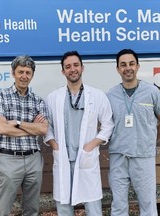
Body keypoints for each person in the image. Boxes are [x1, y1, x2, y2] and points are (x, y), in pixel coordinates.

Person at [44, 51, 114, 216]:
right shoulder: (53, 98)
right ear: (63, 71)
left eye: (76, 65)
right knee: (63, 205)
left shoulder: (97, 95)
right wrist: (54, 144)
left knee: (93, 206)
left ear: (82, 67)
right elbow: (47, 126)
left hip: (86, 158)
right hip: (63, 158)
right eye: (68, 67)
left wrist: (92, 144)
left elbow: (108, 125)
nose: (72, 69)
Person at [107, 49, 160, 216]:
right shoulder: (110, 95)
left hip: (143, 156)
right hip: (118, 157)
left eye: (131, 64)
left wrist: (150, 140)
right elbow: (104, 125)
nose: (127, 68)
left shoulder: (151, 92)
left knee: (148, 205)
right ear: (117, 69)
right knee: (118, 205)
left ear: (137, 66)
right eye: (123, 65)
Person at [0, 55, 48, 216]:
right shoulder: (1, 96)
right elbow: (1, 128)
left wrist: (17, 123)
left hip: (33, 160)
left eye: (28, 72)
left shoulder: (38, 101)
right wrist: (31, 128)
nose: (24, 76)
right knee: (2, 210)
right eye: (20, 71)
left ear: (32, 75)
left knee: (32, 209)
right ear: (13, 73)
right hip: (9, 159)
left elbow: (43, 130)